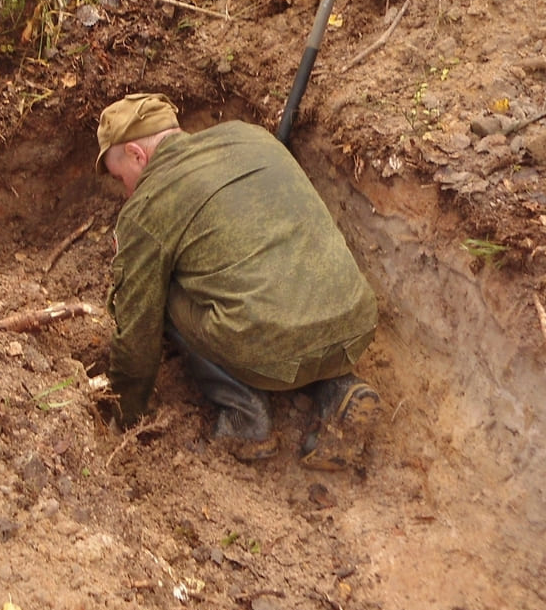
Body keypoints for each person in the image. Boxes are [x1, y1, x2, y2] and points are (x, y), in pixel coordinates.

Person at [95, 92, 382, 469]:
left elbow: (137, 326)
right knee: (267, 284)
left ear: (137, 154)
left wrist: (123, 412)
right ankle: (338, 388)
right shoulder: (251, 136)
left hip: (269, 344)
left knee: (162, 287)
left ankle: (245, 417)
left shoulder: (150, 204)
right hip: (354, 323)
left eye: (121, 179)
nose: (127, 192)